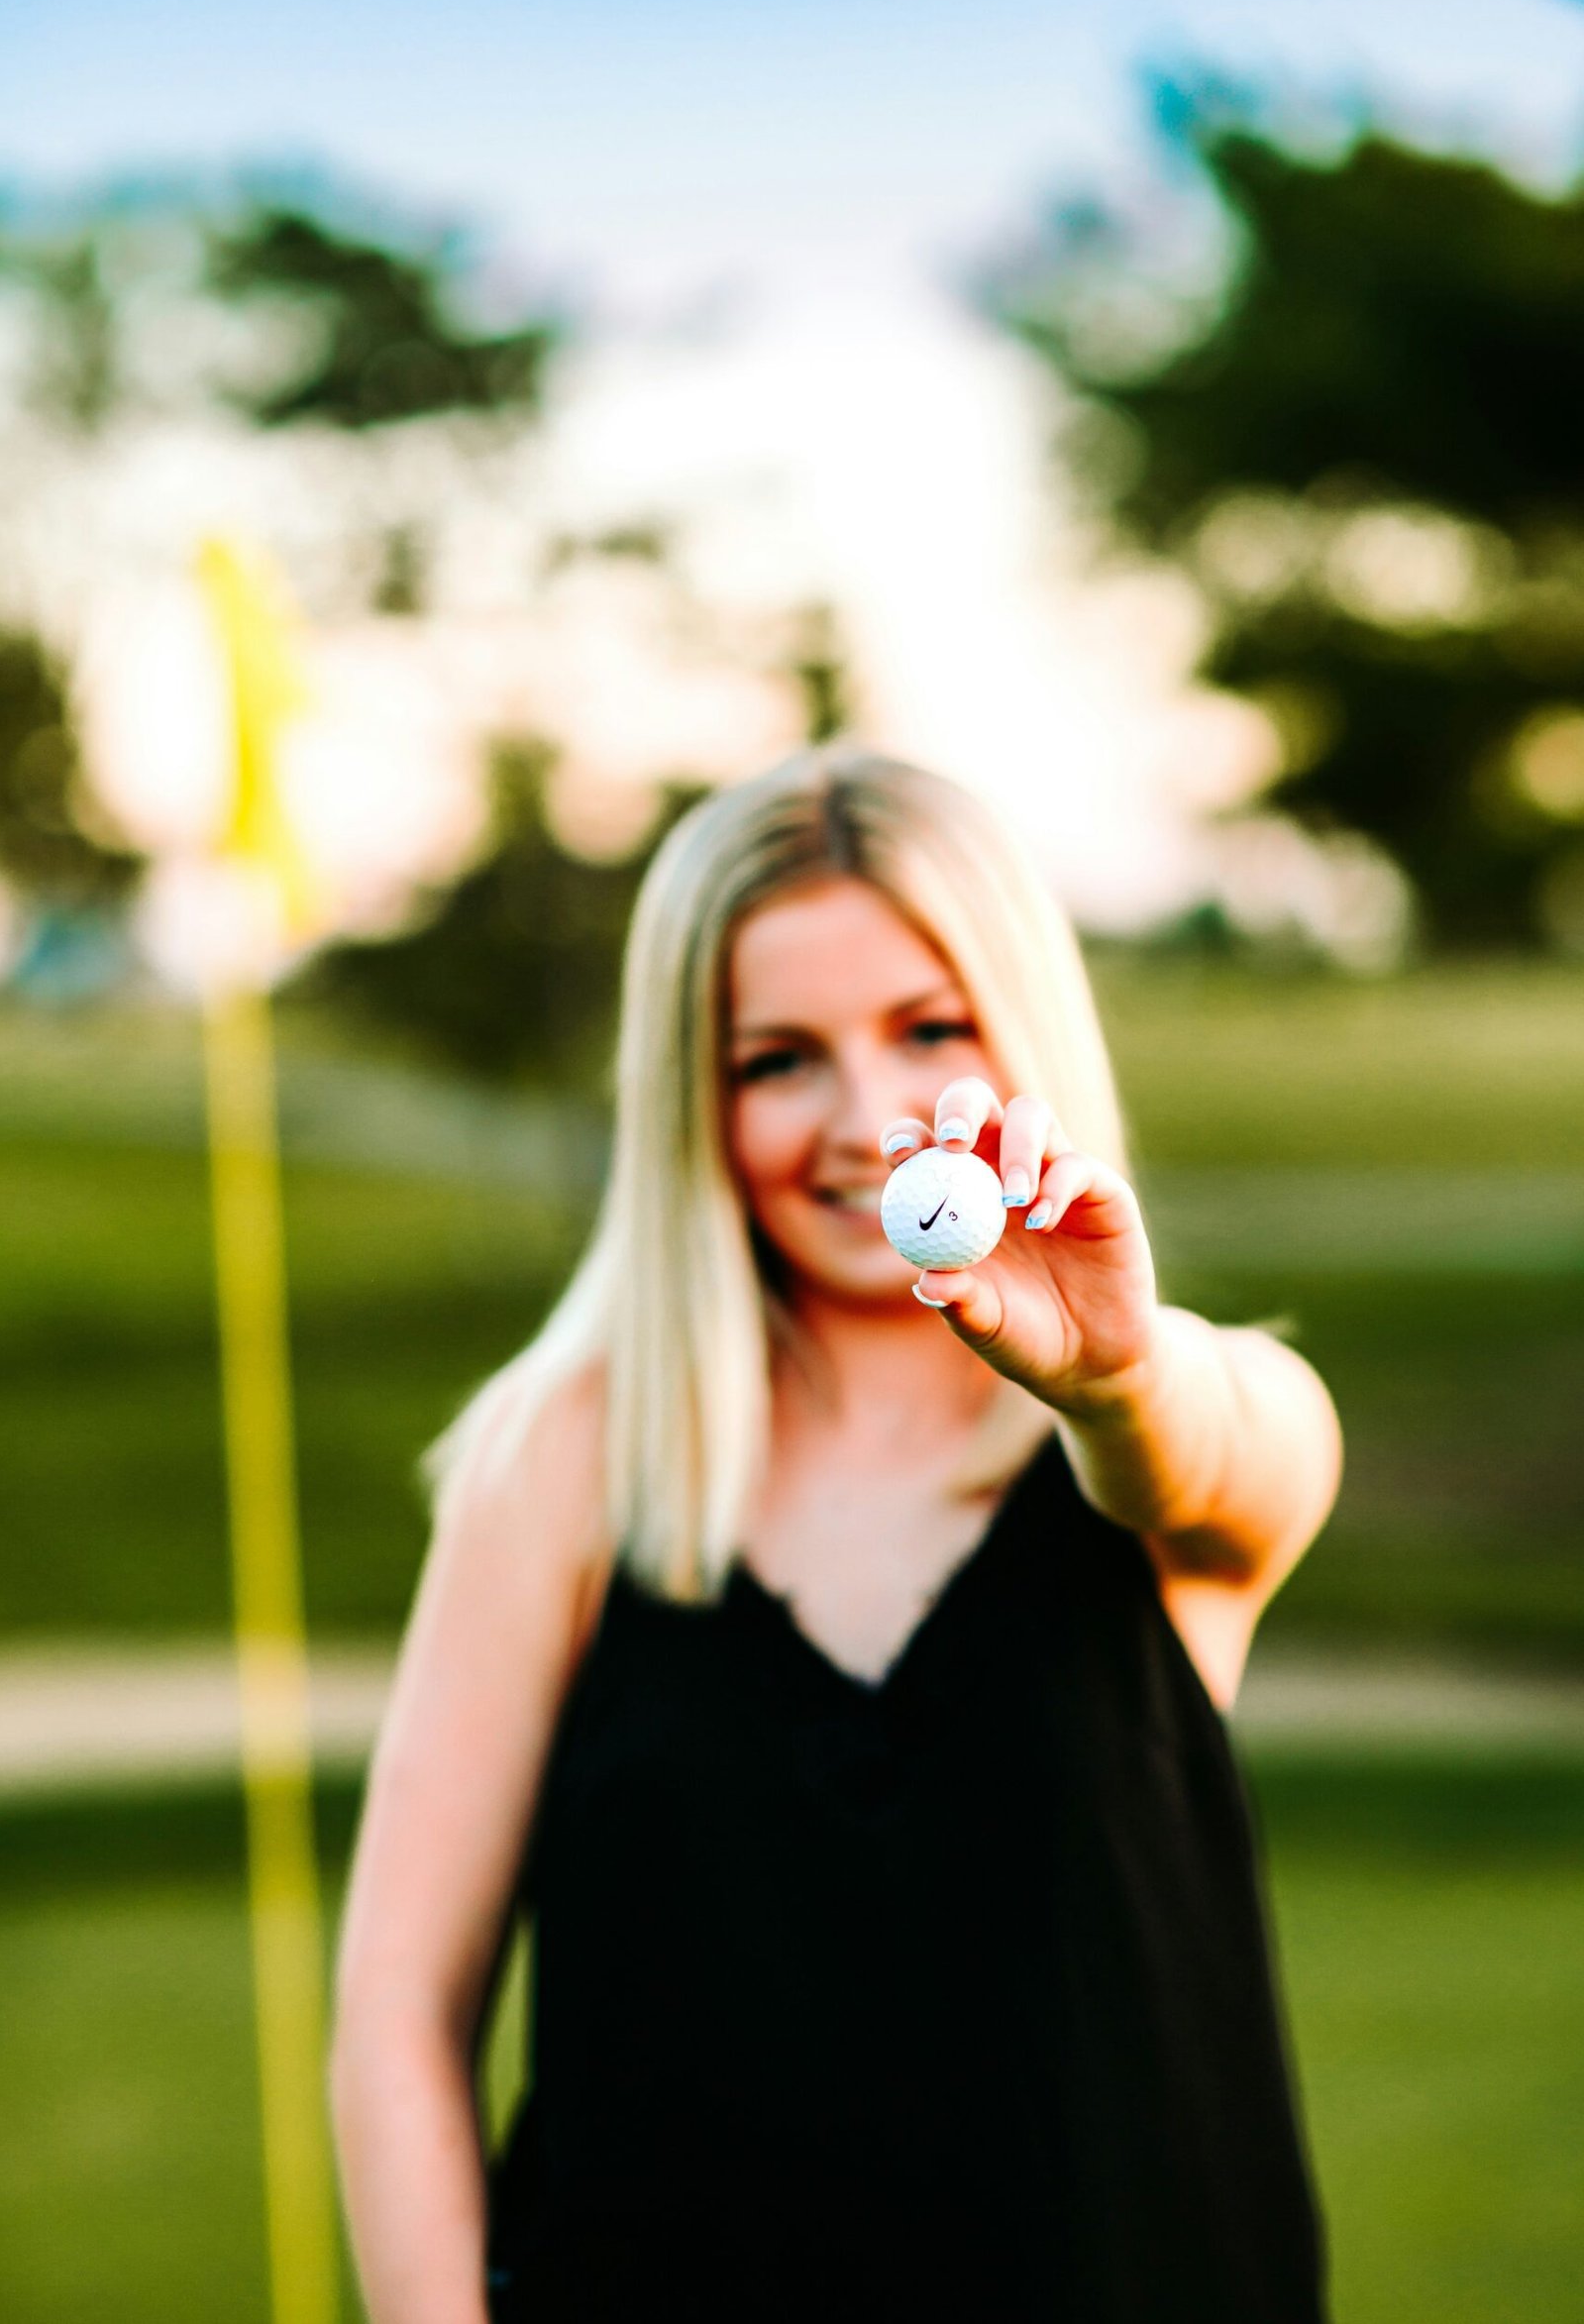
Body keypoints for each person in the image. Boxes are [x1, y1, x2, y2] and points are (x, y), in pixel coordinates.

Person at [329, 744, 1342, 2323]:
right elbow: (398, 2010)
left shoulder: (1186, 1435)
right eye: (776, 1059)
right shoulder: (565, 1456)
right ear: (694, 1096)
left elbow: (1214, 1440)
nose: (871, 1121)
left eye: (929, 1030)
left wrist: (1122, 1376)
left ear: (1025, 1034)